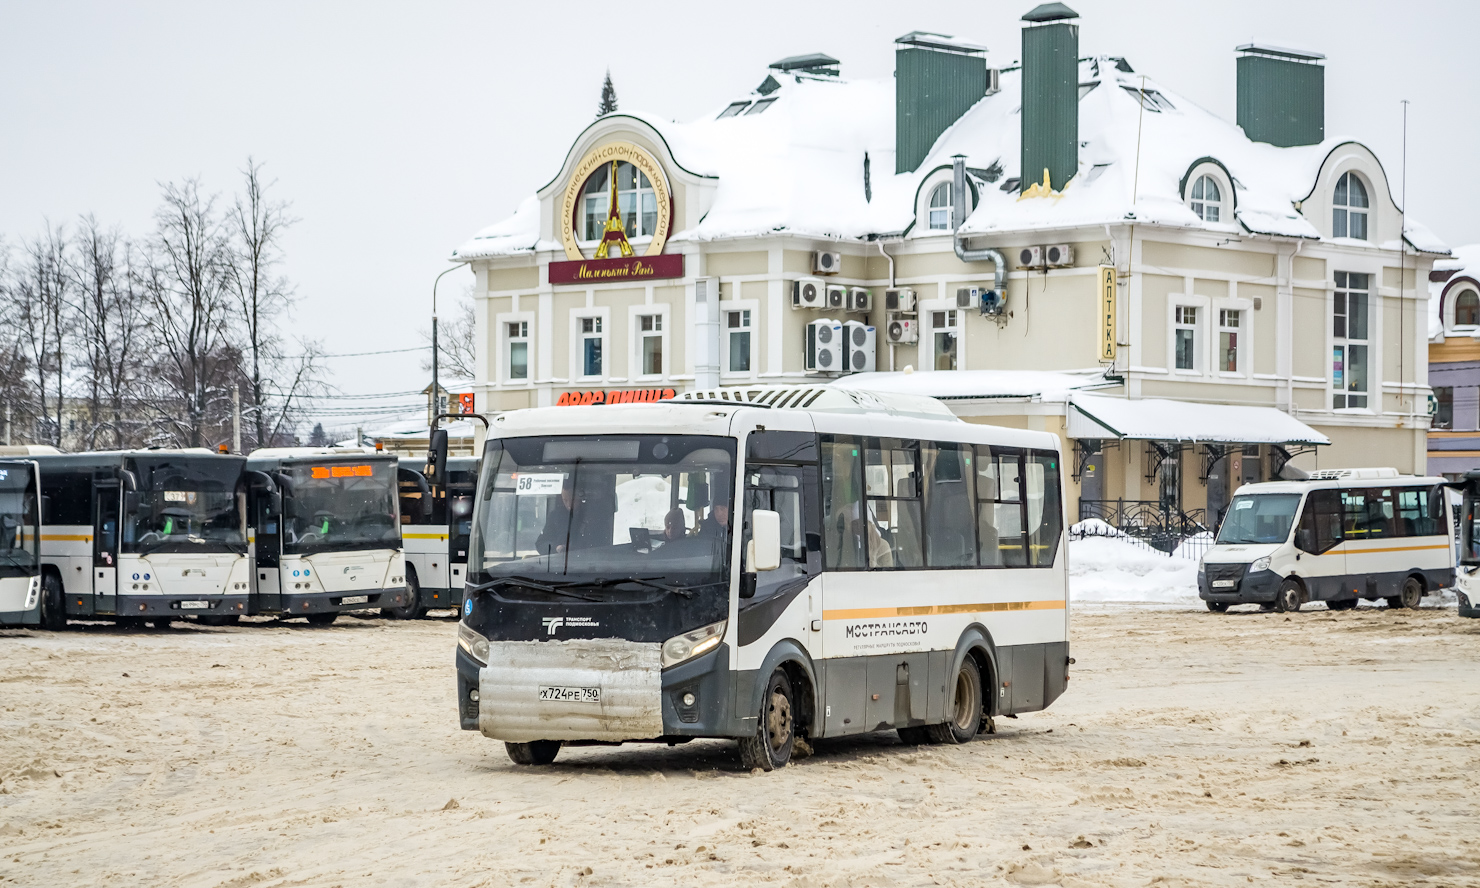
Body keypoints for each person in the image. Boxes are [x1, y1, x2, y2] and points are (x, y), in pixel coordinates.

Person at [535, 484, 574, 555]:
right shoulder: (556, 516)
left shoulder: (591, 516)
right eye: (565, 500)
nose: (569, 504)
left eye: (572, 500)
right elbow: (540, 543)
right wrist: (555, 548)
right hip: (558, 563)